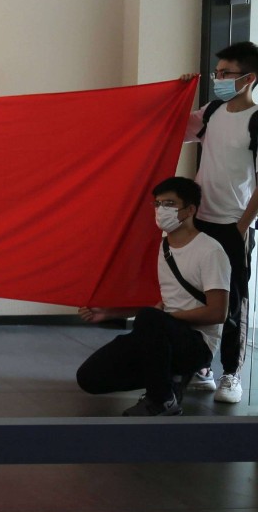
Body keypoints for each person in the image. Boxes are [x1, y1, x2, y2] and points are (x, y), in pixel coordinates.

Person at [76, 177, 229, 416]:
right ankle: (169, 379)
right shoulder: (163, 246)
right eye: (157, 204)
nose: (161, 210)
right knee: (90, 377)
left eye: (169, 203)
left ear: (190, 209)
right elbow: (161, 307)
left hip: (197, 343)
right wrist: (108, 314)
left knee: (150, 319)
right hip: (160, 334)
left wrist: (167, 318)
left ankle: (162, 400)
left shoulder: (210, 250)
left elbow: (217, 312)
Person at [178, 41, 257, 405]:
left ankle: (231, 373)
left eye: (226, 73)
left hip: (232, 224)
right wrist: (178, 93)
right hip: (200, 220)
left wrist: (241, 227)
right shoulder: (212, 111)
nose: (219, 79)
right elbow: (174, 127)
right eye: (217, 73)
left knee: (232, 300)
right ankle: (201, 366)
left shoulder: (256, 120)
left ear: (249, 78)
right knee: (196, 294)